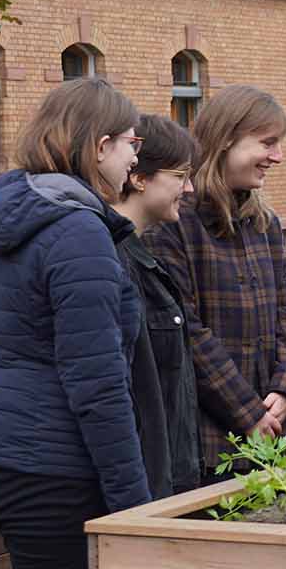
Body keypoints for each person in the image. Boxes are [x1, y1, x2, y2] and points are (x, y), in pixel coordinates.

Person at [0, 77, 151, 569]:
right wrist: (134, 505)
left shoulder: (26, 215)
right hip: (53, 470)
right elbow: (96, 382)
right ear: (98, 147)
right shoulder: (77, 232)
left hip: (15, 458)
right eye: (130, 142)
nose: (134, 157)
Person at [153, 86, 286, 470]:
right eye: (267, 143)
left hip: (276, 433)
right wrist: (247, 412)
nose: (277, 156)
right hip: (210, 445)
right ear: (225, 140)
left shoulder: (263, 222)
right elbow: (186, 331)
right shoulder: (173, 223)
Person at [111, 114, 201, 498]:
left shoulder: (141, 255)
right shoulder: (116, 262)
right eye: (181, 176)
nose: (191, 188)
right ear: (139, 178)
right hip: (141, 487)